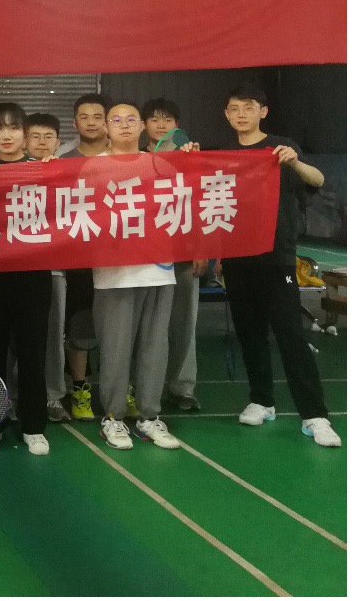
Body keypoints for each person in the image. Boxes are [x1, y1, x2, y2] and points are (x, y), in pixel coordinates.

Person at [189, 85, 339, 447]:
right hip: (237, 258)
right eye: (234, 109)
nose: (241, 114)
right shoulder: (221, 153)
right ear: (226, 115)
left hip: (276, 257)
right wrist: (188, 157)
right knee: (250, 333)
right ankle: (261, 400)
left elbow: (318, 180)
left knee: (290, 335)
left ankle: (315, 415)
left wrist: (294, 161)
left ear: (263, 111)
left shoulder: (281, 147)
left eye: (249, 107)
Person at [92, 102, 181, 451]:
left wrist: (190, 160)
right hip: (115, 275)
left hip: (159, 270)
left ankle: (148, 416)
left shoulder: (161, 164)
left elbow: (187, 202)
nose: (124, 125)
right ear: (106, 127)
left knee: (155, 348)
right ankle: (112, 418)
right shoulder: (91, 167)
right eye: (116, 120)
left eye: (131, 119)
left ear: (143, 126)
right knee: (116, 349)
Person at [0, 103, 53, 456]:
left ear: (24, 132)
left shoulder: (47, 171)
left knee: (33, 353)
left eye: (13, 128)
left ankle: (34, 426)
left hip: (34, 277)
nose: (6, 135)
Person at [141, 98, 205, 412]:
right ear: (144, 125)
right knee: (147, 328)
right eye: (154, 119)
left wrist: (201, 247)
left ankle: (182, 388)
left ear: (177, 125)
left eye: (168, 119)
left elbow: (200, 203)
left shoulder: (189, 157)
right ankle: (144, 387)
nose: (161, 125)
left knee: (183, 324)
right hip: (143, 256)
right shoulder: (132, 157)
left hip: (182, 253)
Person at [56, 93, 112, 422]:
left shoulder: (125, 157)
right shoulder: (63, 160)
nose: (91, 122)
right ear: (75, 123)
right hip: (79, 260)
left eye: (97, 116)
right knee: (80, 326)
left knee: (118, 329)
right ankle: (80, 390)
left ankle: (122, 389)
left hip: (118, 259)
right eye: (84, 117)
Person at [25, 112, 74, 424]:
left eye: (48, 137)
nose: (41, 142)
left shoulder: (68, 174)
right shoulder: (10, 171)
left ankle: (53, 396)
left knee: (54, 337)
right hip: (16, 268)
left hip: (54, 270)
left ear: (58, 142)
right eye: (35, 136)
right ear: (25, 140)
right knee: (19, 339)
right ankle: (16, 396)